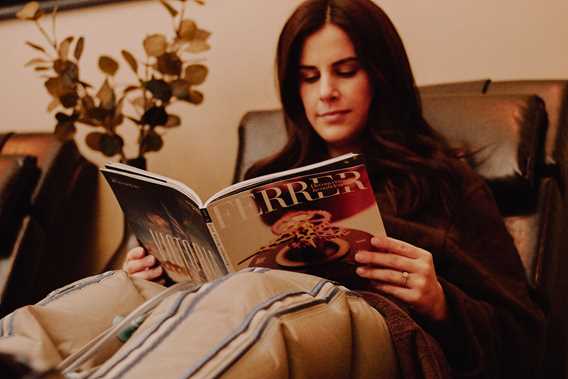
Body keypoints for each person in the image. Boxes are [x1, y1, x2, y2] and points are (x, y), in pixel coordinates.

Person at [3, 0, 544, 378]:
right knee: (123, 290)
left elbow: (530, 341)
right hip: (247, 305)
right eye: (309, 77)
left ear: (381, 74)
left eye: (345, 71)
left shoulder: (443, 179)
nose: (326, 92)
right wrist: (166, 264)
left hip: (374, 327)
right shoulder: (266, 173)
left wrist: (444, 302)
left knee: (254, 294)